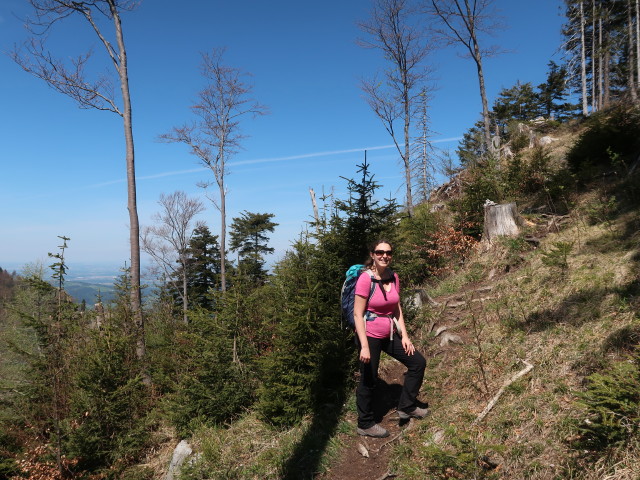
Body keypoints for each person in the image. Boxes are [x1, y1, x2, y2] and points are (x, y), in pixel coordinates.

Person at [353, 239, 428, 438]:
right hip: (369, 335)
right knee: (369, 379)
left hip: (389, 333)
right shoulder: (365, 279)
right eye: (380, 252)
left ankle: (407, 406)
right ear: (372, 254)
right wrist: (364, 346)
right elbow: (357, 314)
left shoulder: (394, 277)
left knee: (418, 362)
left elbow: (396, 309)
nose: (384, 256)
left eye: (388, 252)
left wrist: (405, 336)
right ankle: (365, 423)